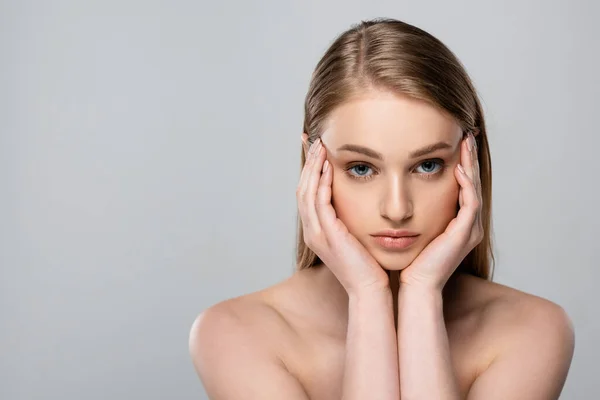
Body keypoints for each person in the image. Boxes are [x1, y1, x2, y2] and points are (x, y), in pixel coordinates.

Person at [189, 17, 575, 399]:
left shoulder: (533, 330)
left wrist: (422, 295)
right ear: (313, 162)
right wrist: (368, 295)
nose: (397, 208)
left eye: (428, 166)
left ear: (469, 160)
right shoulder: (233, 334)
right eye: (361, 168)